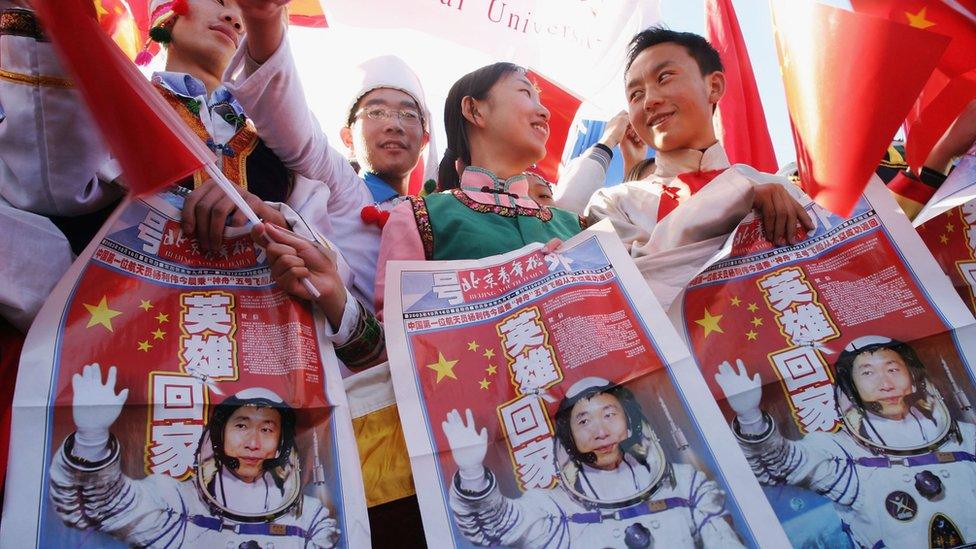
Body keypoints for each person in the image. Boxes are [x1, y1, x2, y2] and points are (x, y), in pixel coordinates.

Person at [227, 3, 434, 539]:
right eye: (377, 111)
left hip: (431, 424)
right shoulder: (340, 189)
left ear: (426, 139)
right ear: (346, 137)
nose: (394, 123)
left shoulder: (443, 215)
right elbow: (286, 119)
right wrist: (266, 21)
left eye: (409, 114)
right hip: (335, 419)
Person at [578, 28, 813, 310]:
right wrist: (734, 199)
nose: (650, 100)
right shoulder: (612, 203)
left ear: (714, 86)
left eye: (664, 78)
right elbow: (641, 282)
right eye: (636, 94)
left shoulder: (780, 189)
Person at [715, 336, 976, 548]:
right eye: (868, 373)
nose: (886, 383)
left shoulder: (965, 440)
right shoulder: (844, 454)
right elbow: (779, 466)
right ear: (850, 388)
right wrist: (750, 417)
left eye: (893, 369)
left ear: (913, 378)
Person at [49, 364, 339, 547]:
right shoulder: (176, 504)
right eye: (241, 426)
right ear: (218, 436)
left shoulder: (310, 520)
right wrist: (92, 436)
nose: (253, 442)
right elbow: (104, 508)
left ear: (279, 446)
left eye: (266, 429)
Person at [442, 377, 744, 548]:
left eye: (609, 415)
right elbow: (494, 527)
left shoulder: (686, 486)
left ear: (630, 424)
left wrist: (752, 420)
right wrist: (471, 473)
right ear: (570, 439)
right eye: (584, 421)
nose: (600, 432)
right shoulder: (555, 510)